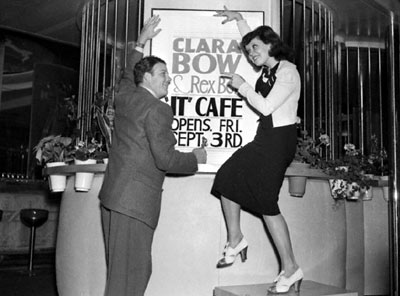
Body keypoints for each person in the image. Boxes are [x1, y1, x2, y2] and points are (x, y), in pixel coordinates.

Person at [99, 16, 207, 296]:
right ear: (146, 77)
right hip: (134, 205)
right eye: (163, 74)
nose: (169, 79)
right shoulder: (159, 109)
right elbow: (166, 159)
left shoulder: (124, 96)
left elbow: (125, 74)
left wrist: (140, 41)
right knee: (132, 278)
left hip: (113, 198)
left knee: (119, 277)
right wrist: (197, 157)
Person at [212, 6, 303, 294]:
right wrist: (241, 22)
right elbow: (254, 46)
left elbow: (265, 106)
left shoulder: (288, 72)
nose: (251, 53)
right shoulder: (268, 69)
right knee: (226, 178)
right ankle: (236, 238)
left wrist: (242, 86)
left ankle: (291, 268)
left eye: (255, 48)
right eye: (248, 49)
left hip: (279, 140)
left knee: (266, 204)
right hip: (265, 136)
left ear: (271, 44)